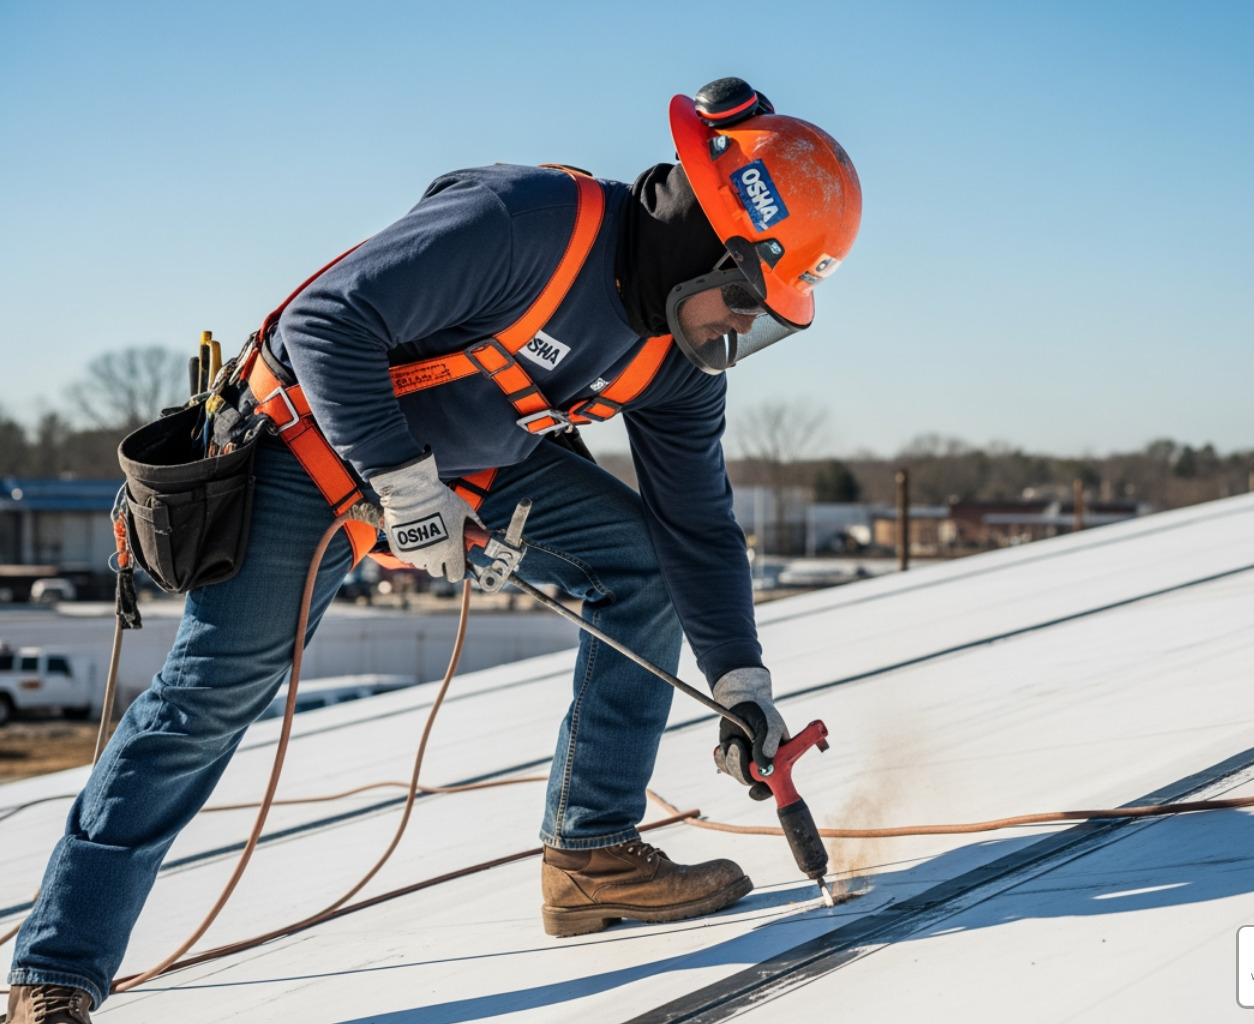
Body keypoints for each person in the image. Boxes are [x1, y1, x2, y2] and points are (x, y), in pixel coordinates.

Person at [4, 77, 861, 1023]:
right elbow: (324, 323)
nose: (743, 327)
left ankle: (591, 855)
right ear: (698, 230)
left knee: (644, 565)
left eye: (769, 320)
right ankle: (57, 972)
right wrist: (403, 485)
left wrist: (743, 685)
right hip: (313, 446)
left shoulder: (676, 363)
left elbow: (697, 527)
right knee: (206, 703)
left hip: (467, 466)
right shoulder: (528, 222)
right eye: (746, 294)